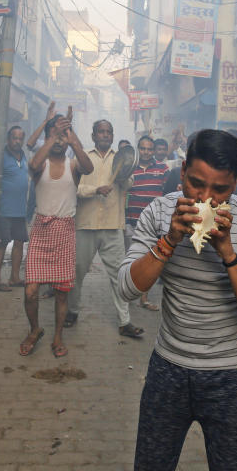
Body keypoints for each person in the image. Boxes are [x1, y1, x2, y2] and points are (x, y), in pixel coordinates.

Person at [118, 129, 237, 470]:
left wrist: (228, 252)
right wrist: (170, 240)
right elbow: (127, 289)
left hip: (233, 375)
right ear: (182, 173)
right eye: (195, 184)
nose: (205, 198)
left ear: (236, 183)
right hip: (168, 369)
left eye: (219, 189)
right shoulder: (159, 213)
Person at [20, 111, 93, 358]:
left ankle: (58, 336)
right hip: (41, 230)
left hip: (64, 232)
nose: (60, 140)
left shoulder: (73, 166)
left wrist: (73, 140)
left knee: (62, 293)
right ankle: (35, 329)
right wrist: (51, 136)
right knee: (30, 291)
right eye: (56, 135)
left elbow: (89, 167)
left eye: (64, 135)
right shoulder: (40, 164)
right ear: (49, 137)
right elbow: (31, 165)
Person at [67, 119, 145, 338]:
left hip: (112, 226)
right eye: (100, 132)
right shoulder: (82, 158)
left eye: (108, 132)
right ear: (93, 136)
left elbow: (128, 184)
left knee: (118, 276)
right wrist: (94, 190)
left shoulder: (120, 159)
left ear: (112, 135)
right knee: (77, 271)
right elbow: (74, 188)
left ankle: (124, 321)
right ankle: (72, 312)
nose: (105, 135)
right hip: (85, 224)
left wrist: (124, 177)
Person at [126, 135, 168, 311]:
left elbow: (167, 194)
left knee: (150, 262)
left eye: (150, 149)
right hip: (132, 222)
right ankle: (127, 294)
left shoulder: (163, 169)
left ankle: (144, 298)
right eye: (143, 149)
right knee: (130, 260)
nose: (146, 152)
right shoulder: (129, 168)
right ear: (138, 149)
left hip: (153, 224)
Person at [0, 126, 29, 291]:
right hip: (4, 209)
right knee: (1, 244)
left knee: (19, 242)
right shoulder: (0, 157)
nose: (17, 141)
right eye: (14, 138)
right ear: (8, 139)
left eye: (20, 138)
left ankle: (14, 277)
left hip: (20, 210)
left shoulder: (24, 156)